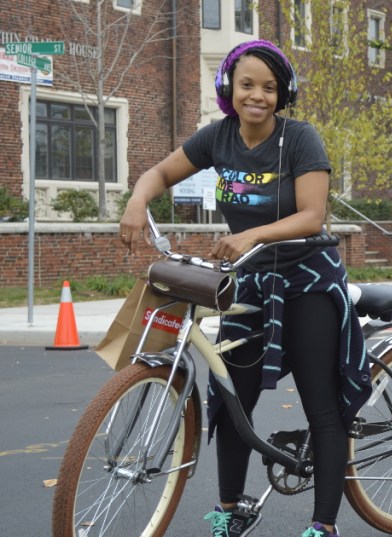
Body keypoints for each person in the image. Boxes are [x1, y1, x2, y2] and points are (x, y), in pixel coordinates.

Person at [119, 40, 369, 537]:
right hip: (250, 284)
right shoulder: (219, 137)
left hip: (307, 281)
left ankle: (324, 525)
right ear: (228, 88)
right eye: (247, 84)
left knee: (320, 403)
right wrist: (136, 200)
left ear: (283, 94)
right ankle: (229, 511)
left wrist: (250, 233)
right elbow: (160, 172)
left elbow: (312, 215)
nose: (257, 95)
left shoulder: (300, 139)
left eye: (269, 88)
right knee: (231, 400)